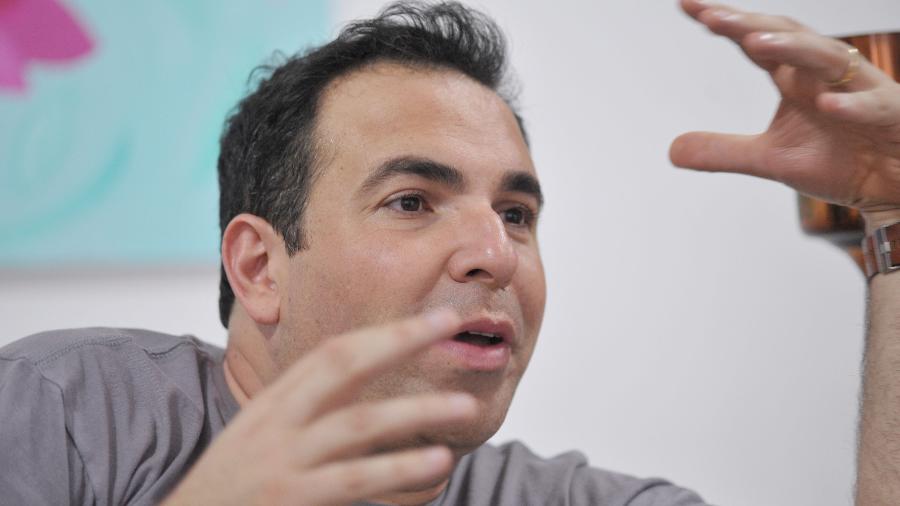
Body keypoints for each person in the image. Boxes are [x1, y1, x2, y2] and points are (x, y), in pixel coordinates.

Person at [2, 0, 900, 504]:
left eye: (516, 213)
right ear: (260, 268)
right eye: (412, 202)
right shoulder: (61, 414)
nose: (494, 255)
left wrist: (894, 218)